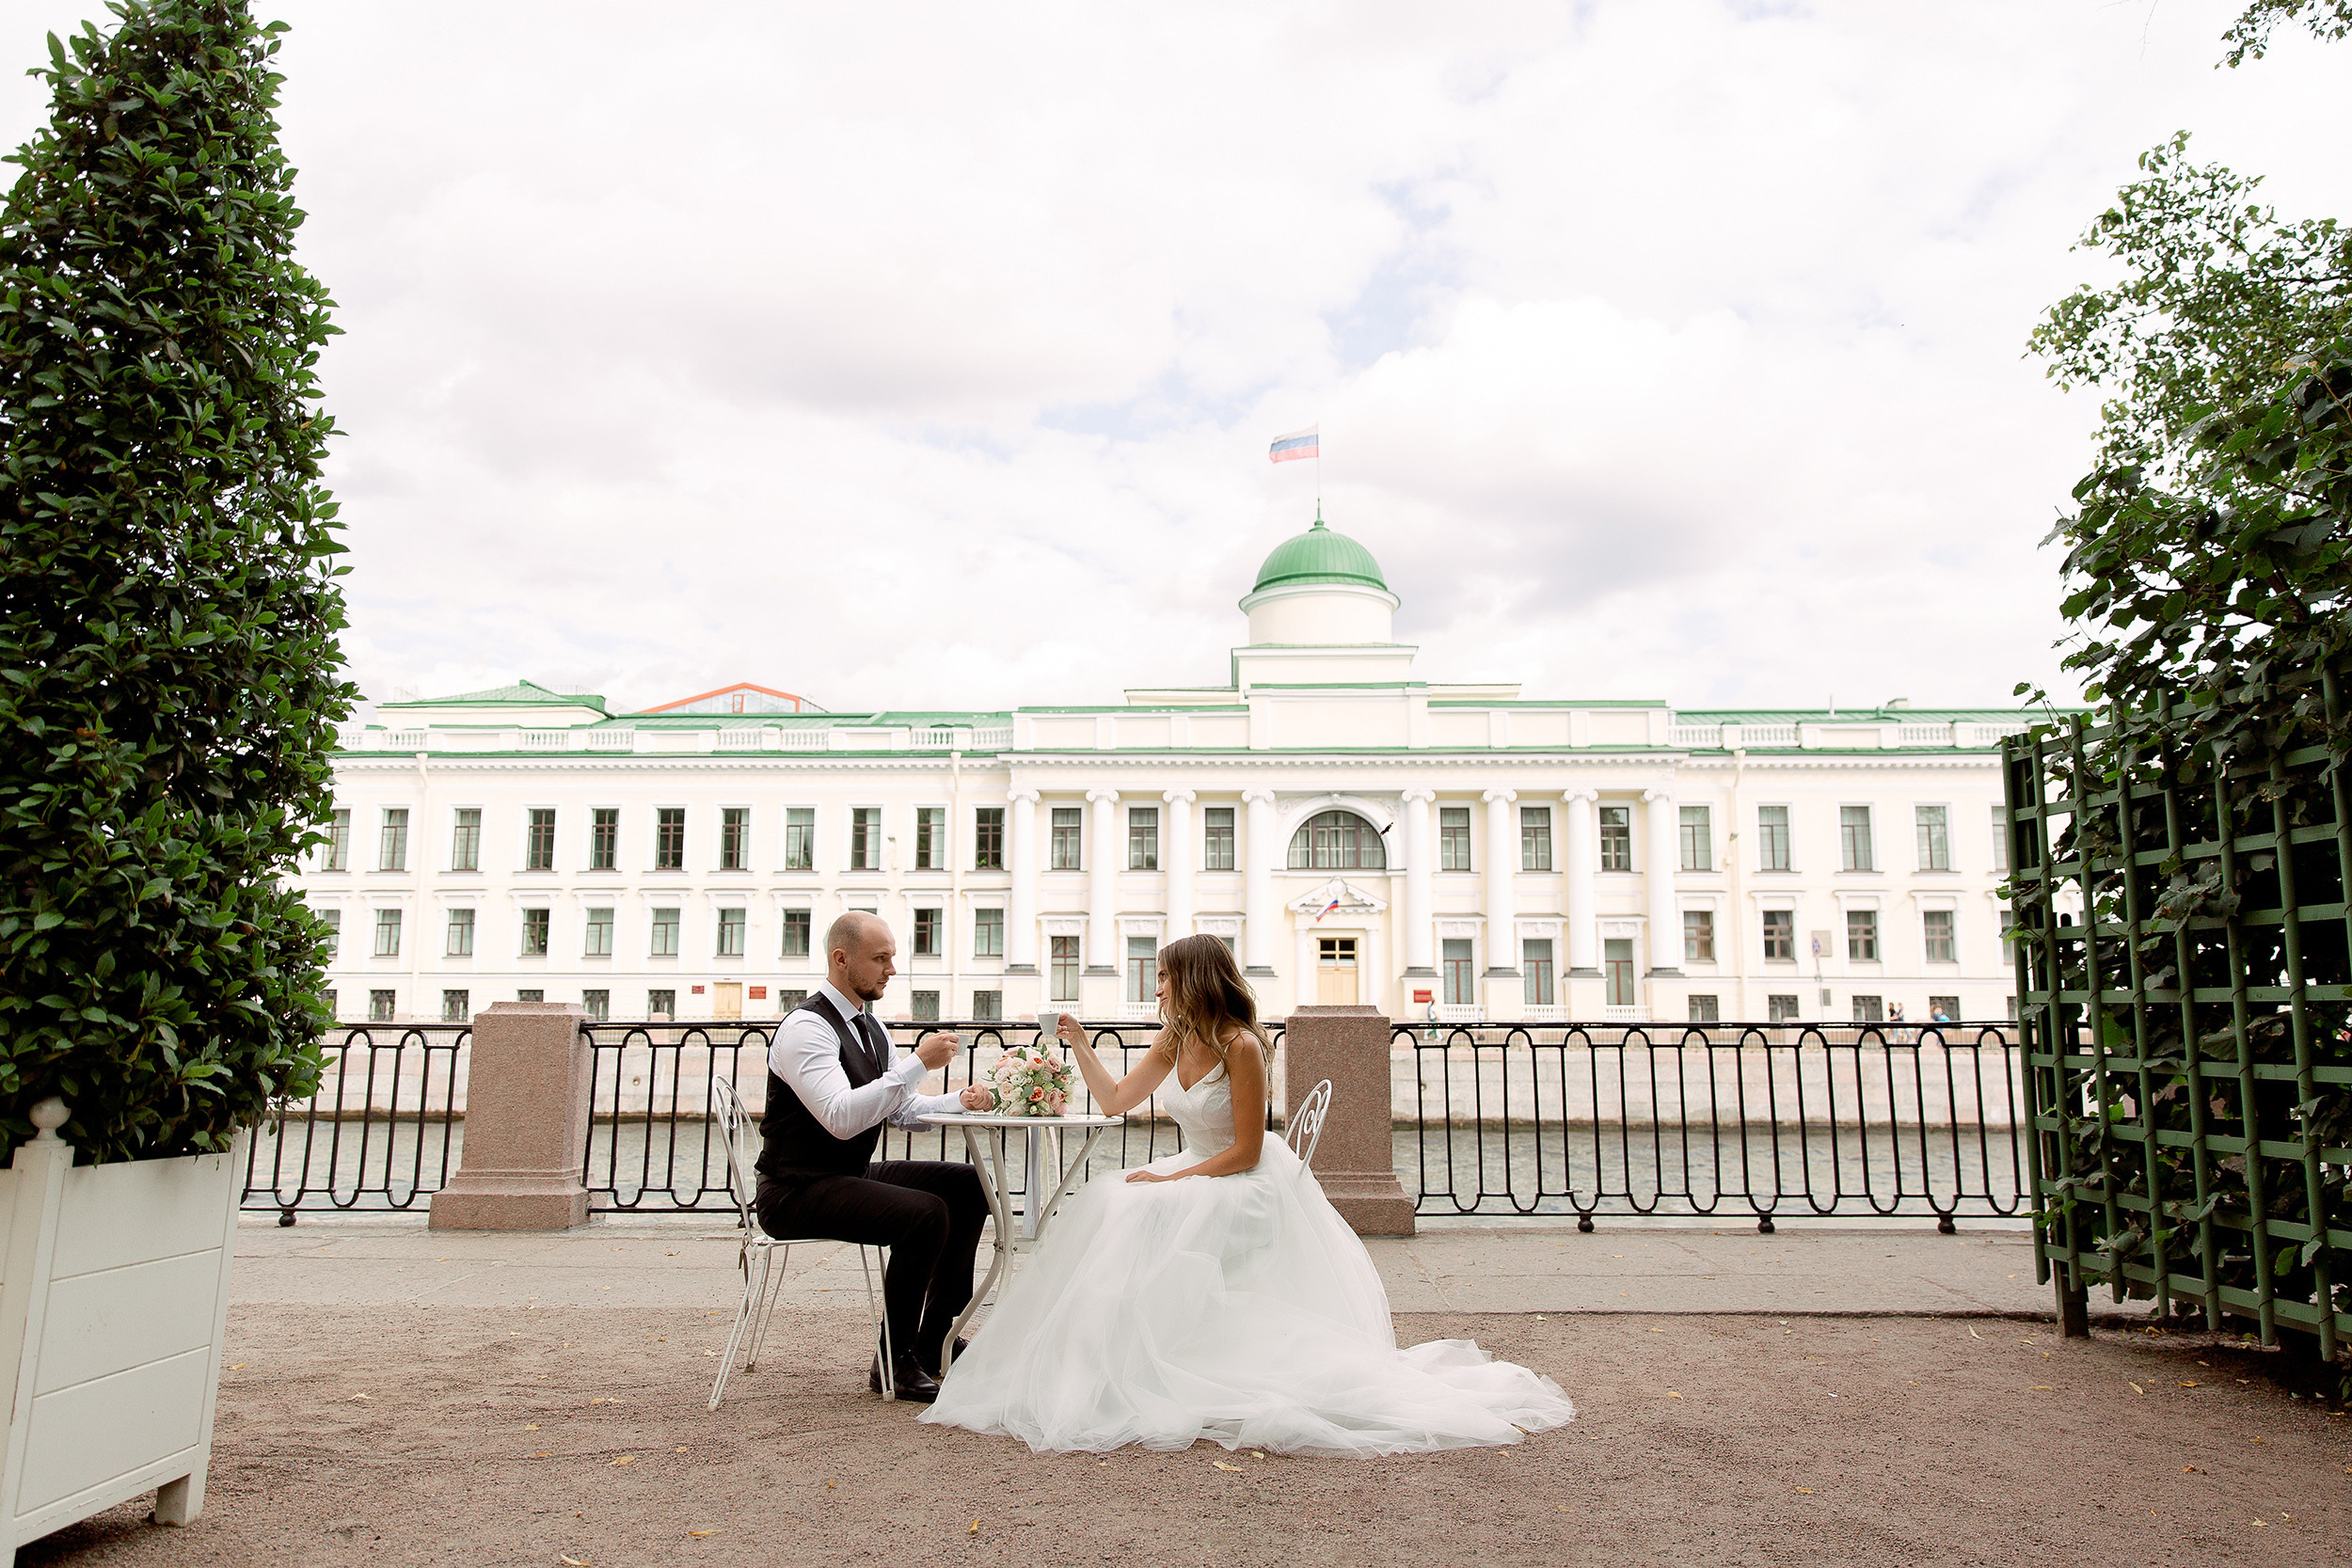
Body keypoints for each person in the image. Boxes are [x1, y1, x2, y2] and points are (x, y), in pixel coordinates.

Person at [922, 933, 1575, 1454]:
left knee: (1138, 1203)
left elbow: (1247, 1150)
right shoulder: (1177, 1037)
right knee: (1113, 1200)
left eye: (1165, 977)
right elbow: (1118, 1099)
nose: (1157, 988)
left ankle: (1155, 1358)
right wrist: (1082, 1046)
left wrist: (1172, 1177)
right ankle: (1107, 1363)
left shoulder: (1241, 1046)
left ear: (1194, 979)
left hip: (1243, 1179)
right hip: (1198, 1166)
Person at [755, 911, 993, 1403]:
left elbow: (900, 1110)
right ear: (841, 960)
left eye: (892, 958)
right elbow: (841, 1117)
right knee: (924, 1215)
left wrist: (958, 1100)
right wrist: (917, 1063)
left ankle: (934, 1341)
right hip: (793, 1188)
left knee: (968, 1185)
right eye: (880, 959)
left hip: (845, 1173)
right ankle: (895, 1359)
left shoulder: (871, 1027)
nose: (890, 970)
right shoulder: (806, 1028)